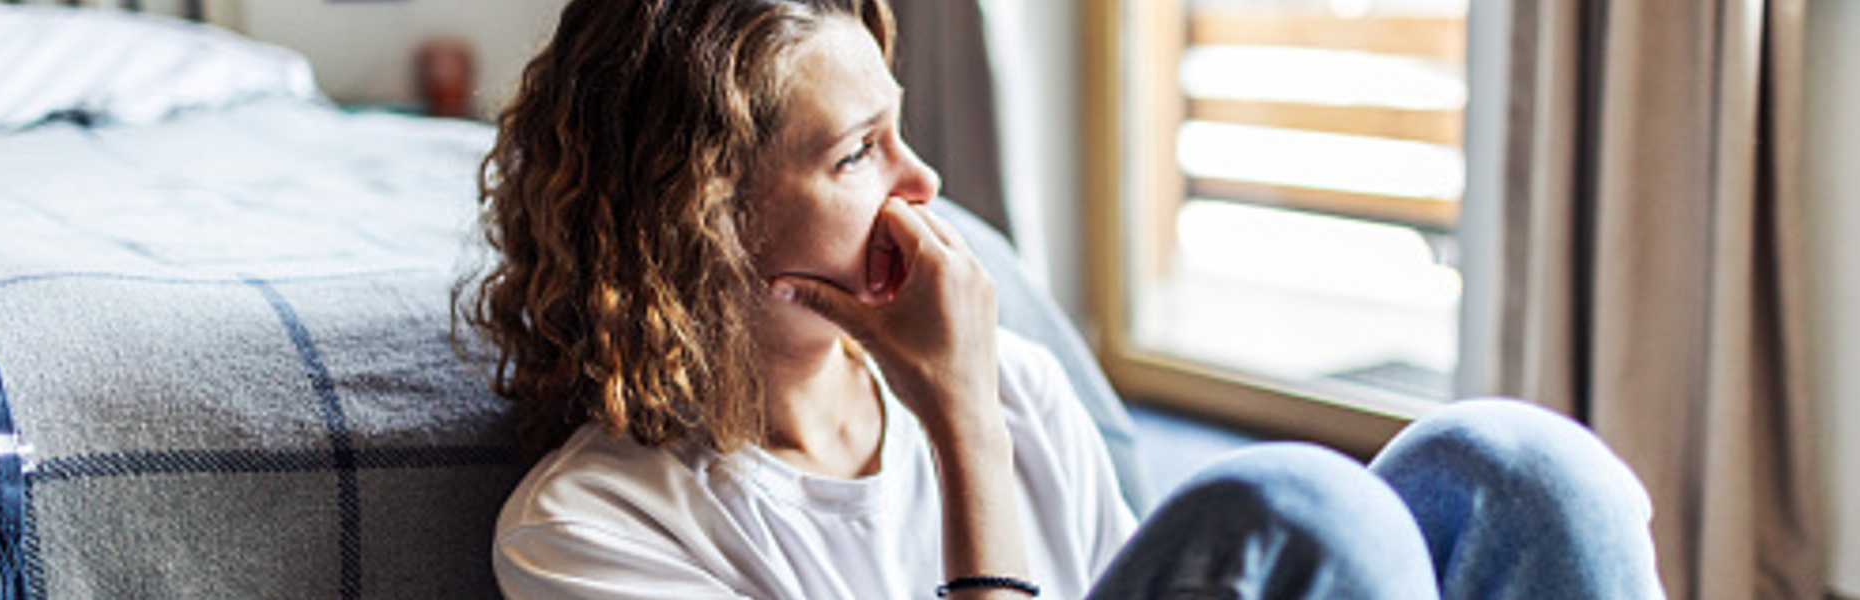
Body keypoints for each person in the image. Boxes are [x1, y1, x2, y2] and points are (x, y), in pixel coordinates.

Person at [458, 0, 1667, 598]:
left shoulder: (1018, 383)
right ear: (699, 216)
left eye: (904, 130)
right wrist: (965, 427)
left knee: (1516, 466)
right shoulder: (593, 533)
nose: (923, 185)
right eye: (854, 154)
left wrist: (982, 402)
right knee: (1291, 512)